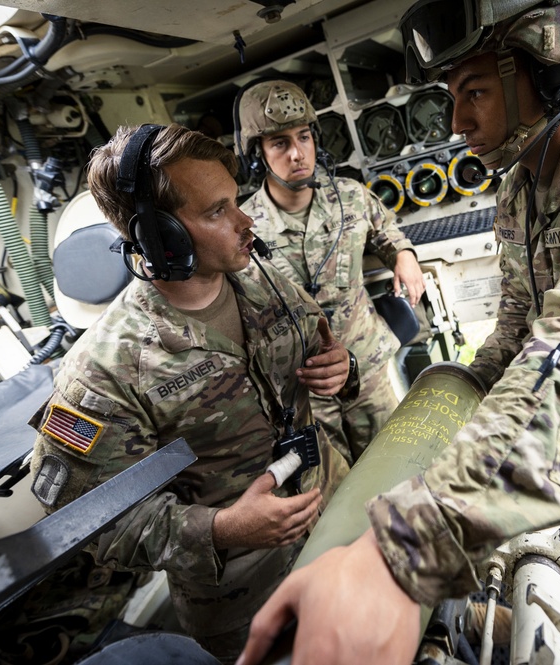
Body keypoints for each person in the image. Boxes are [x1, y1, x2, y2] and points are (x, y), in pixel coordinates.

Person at [236, 1, 560, 664]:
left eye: (474, 92)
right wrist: (465, 386)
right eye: (451, 97)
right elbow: (518, 323)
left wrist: (408, 550)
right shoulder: (522, 184)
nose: (457, 121)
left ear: (549, 74)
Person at [27, 123, 354, 663]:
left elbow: (328, 351)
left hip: (337, 515)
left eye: (236, 201)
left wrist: (342, 368)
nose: (246, 221)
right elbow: (89, 520)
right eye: (217, 212)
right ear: (161, 236)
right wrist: (220, 528)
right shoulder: (104, 370)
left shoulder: (264, 280)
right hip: (246, 592)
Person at [237, 80, 426, 465]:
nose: (297, 153)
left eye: (304, 137)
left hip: (368, 370)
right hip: (303, 391)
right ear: (257, 156)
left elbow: (385, 228)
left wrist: (404, 254)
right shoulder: (244, 226)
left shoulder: (350, 195)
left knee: (398, 468)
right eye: (279, 144)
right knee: (335, 493)